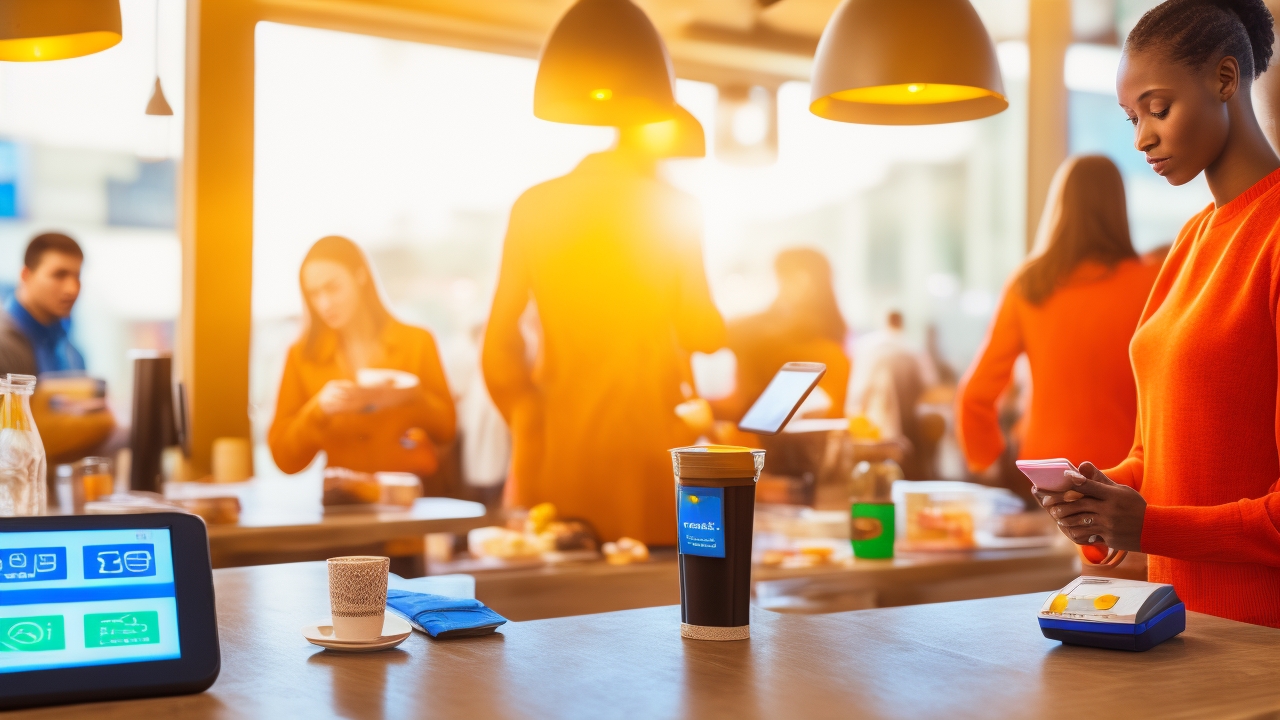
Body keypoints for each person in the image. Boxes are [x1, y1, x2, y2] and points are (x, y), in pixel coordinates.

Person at [1042, 0, 1280, 627]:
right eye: (1131, 117)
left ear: (1225, 79)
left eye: (1158, 108)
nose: (1141, 137)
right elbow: (1158, 456)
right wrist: (1099, 496)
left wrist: (1149, 526)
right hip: (1179, 630)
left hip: (1262, 643)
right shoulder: (1190, 240)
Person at [483, 109, 725, 546]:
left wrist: (528, 420)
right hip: (650, 447)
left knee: (566, 577)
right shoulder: (673, 206)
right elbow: (701, 332)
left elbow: (498, 344)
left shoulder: (535, 204)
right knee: (654, 578)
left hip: (561, 450)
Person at [956, 156, 1159, 477]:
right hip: (1127, 471)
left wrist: (988, 461)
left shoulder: (1028, 284)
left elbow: (975, 395)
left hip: (1046, 469)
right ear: (1119, 207)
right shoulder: (1153, 281)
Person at [268, 236, 456, 476]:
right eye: (314, 294)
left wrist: (411, 397)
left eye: (333, 288)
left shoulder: (417, 341)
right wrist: (318, 410)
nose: (325, 304)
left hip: (411, 492)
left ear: (360, 276)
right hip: (344, 496)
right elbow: (284, 458)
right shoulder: (301, 356)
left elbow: (447, 431)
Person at [716, 248, 850, 422]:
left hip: (766, 427)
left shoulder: (759, 334)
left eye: (781, 277)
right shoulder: (831, 338)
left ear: (804, 281)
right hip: (770, 424)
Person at [0, 232, 86, 376]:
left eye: (77, 276)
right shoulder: (4, 347)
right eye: (59, 275)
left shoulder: (72, 354)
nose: (72, 289)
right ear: (25, 275)